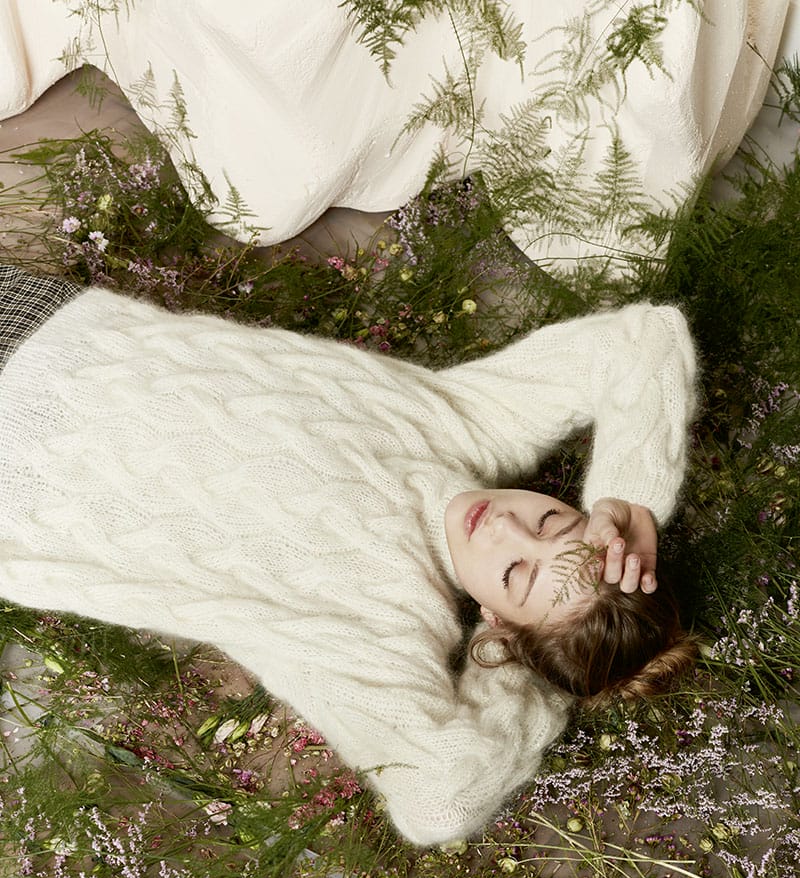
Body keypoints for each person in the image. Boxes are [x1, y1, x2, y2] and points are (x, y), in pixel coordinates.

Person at [0, 264, 697, 846]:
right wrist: (631, 500)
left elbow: (441, 798)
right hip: (53, 324)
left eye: (516, 572)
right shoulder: (465, 424)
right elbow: (642, 341)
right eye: (550, 519)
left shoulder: (382, 623)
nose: (505, 526)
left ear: (496, 618)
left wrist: (516, 668)